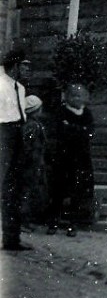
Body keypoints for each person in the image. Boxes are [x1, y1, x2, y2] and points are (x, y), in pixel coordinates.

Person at [47, 83, 95, 236]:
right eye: (73, 95)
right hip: (63, 157)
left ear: (84, 98)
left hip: (81, 158)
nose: (76, 98)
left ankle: (73, 224)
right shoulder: (61, 112)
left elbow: (90, 132)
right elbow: (61, 131)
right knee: (58, 190)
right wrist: (79, 130)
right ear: (67, 97)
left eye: (79, 95)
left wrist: (72, 128)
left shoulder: (87, 113)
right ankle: (53, 222)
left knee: (77, 191)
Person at [0, 49, 33, 252]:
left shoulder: (20, 88)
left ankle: (12, 238)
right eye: (25, 66)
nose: (28, 70)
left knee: (14, 188)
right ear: (14, 66)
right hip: (2, 133)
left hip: (18, 134)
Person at [21, 95, 48, 230]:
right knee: (28, 191)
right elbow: (28, 146)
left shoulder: (33, 124)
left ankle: (27, 220)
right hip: (32, 163)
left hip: (35, 162)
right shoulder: (32, 126)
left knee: (30, 191)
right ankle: (24, 221)